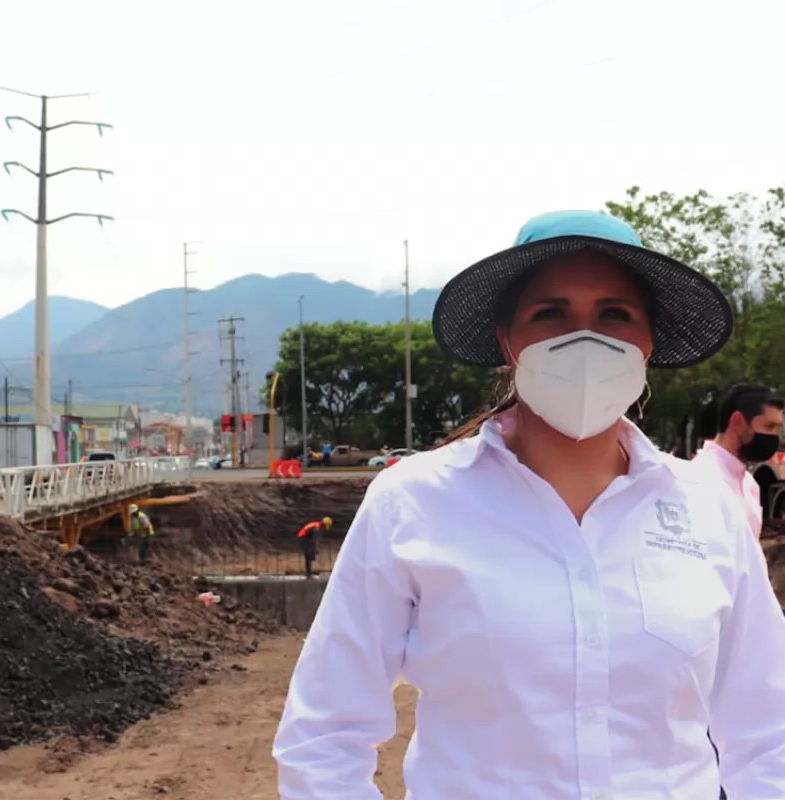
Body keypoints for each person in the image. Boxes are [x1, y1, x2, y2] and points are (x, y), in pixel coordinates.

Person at [273, 210, 785, 798]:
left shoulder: (707, 510)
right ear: (506, 341)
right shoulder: (412, 503)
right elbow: (325, 735)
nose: (586, 339)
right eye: (551, 313)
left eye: (614, 314)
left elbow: (768, 731)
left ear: (649, 342)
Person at [693, 383, 784, 539]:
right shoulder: (700, 480)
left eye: (778, 429)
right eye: (769, 426)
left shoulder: (750, 485)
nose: (775, 437)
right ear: (738, 422)